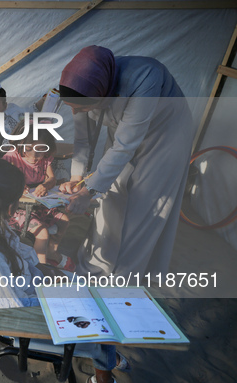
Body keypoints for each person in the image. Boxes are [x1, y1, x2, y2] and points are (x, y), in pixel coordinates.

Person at [0, 158, 128, 383]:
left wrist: (45, 275)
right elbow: (15, 309)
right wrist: (55, 298)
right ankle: (104, 381)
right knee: (102, 324)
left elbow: (25, 264)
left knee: (94, 295)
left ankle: (104, 358)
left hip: (35, 295)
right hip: (26, 318)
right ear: (10, 207)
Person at [57, 45, 194, 278]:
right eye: (73, 108)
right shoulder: (81, 84)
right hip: (123, 131)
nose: (77, 112)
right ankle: (95, 265)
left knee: (144, 205)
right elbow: (83, 139)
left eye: (81, 108)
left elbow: (124, 146)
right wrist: (77, 178)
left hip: (166, 134)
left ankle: (123, 277)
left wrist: (88, 191)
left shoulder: (145, 76)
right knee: (110, 195)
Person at [2, 120, 73, 271]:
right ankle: (41, 269)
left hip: (38, 205)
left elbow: (52, 178)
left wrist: (46, 185)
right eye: (28, 149)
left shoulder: (45, 158)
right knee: (43, 233)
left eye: (40, 150)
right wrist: (17, 186)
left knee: (65, 220)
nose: (34, 156)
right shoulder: (12, 157)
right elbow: (2, 182)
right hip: (16, 210)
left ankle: (51, 252)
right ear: (19, 144)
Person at [0, 84, 43, 156]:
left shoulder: (11, 110)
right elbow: (5, 146)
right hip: (13, 157)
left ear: (5, 106)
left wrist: (44, 100)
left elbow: (30, 112)